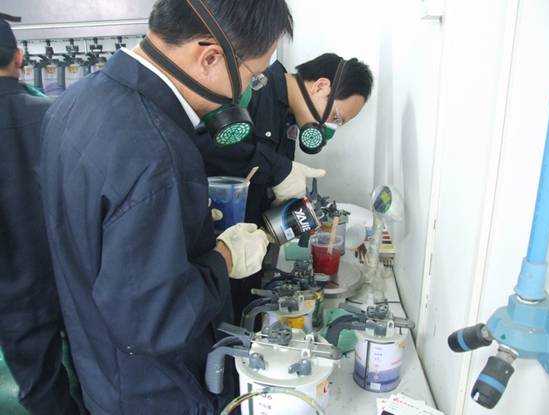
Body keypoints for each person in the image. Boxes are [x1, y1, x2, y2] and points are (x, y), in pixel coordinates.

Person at [39, 0, 292, 413]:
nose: (246, 92)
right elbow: (155, 319)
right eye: (253, 77)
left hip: (100, 371)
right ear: (210, 57)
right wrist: (224, 257)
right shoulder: (158, 150)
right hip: (157, 393)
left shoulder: (76, 100)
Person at [195, 53, 373, 319]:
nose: (331, 130)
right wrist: (279, 170)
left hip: (247, 252)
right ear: (321, 86)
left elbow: (260, 177)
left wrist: (289, 213)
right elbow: (206, 145)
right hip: (215, 251)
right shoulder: (253, 89)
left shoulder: (288, 118)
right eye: (336, 117)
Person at [0, 13, 80, 415]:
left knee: (41, 387)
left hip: (12, 294)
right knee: (94, 370)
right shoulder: (58, 115)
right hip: (75, 277)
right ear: (19, 57)